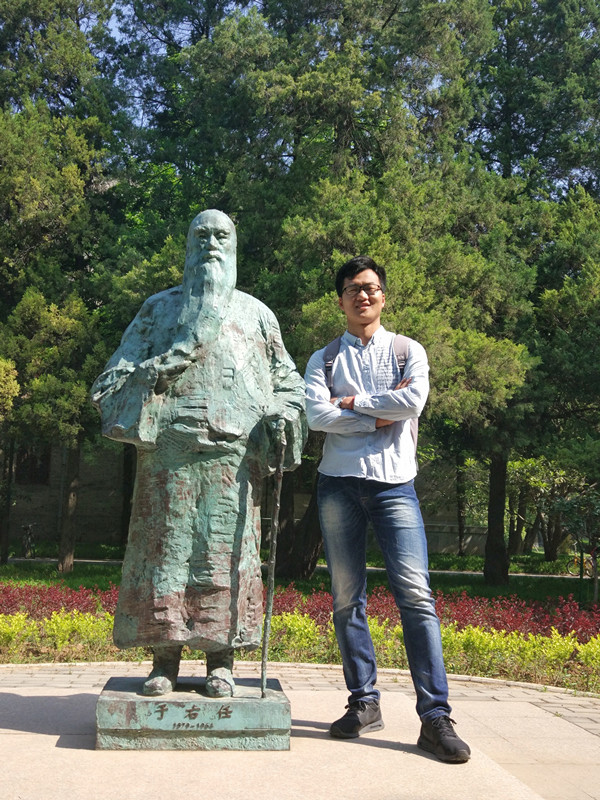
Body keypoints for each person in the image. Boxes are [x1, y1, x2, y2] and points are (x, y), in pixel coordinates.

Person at [91, 209, 306, 698]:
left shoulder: (256, 315)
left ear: (234, 246)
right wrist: (156, 371)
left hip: (233, 463)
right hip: (167, 459)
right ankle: (163, 659)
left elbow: (288, 384)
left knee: (222, 557)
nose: (211, 243)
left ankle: (221, 661)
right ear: (188, 245)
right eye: (201, 235)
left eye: (221, 235)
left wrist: (283, 414)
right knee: (164, 556)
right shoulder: (159, 310)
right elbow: (110, 381)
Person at [304, 255, 470, 763]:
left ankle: (435, 717)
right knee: (345, 598)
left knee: (416, 596)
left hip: (395, 486)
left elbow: (412, 402)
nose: (363, 295)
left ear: (383, 296)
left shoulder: (407, 350)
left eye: (371, 287)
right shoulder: (323, 359)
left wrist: (351, 404)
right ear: (340, 300)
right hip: (338, 485)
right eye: (353, 289)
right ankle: (364, 702)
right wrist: (377, 414)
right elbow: (315, 415)